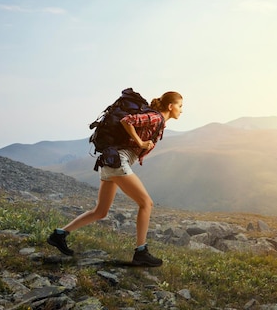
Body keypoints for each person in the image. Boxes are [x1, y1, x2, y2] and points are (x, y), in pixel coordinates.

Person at [47, 91, 183, 267]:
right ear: (171, 106)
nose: (181, 110)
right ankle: (141, 252)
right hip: (118, 161)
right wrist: (141, 144)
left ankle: (59, 235)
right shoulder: (156, 118)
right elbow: (127, 121)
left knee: (100, 211)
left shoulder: (158, 121)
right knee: (146, 204)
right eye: (180, 106)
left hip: (110, 161)